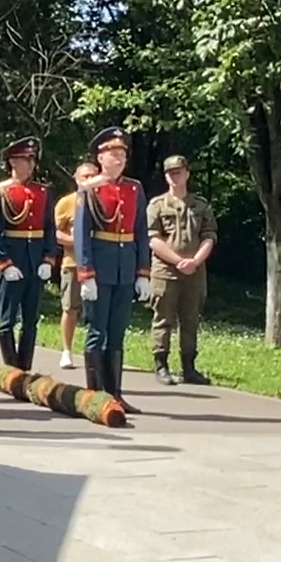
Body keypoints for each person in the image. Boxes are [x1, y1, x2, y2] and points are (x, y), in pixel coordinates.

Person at [73, 128, 150, 414]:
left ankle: (115, 392)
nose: (120, 160)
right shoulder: (90, 189)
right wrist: (86, 273)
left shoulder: (134, 188)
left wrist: (143, 271)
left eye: (123, 155)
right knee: (97, 330)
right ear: (100, 158)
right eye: (114, 155)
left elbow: (141, 230)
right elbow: (81, 233)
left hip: (125, 267)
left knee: (117, 331)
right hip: (100, 266)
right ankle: (94, 394)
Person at [146, 155, 218, 385]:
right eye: (170, 173)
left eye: (178, 172)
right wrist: (178, 261)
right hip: (165, 270)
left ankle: (189, 367)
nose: (174, 176)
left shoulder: (201, 205)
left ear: (187, 173)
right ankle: (161, 365)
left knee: (190, 320)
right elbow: (152, 238)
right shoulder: (157, 205)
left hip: (194, 272)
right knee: (163, 318)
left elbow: (209, 236)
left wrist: (195, 261)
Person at [0, 137, 56, 371]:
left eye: (32, 159)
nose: (31, 164)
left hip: (34, 259)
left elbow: (49, 228)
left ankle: (24, 367)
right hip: (12, 258)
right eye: (26, 159)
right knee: (7, 319)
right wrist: (4, 264)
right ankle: (10, 367)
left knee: (31, 319)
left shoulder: (43, 192)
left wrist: (48, 258)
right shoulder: (1, 192)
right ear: (13, 162)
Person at [54, 161, 96, 369]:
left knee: (98, 311)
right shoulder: (66, 203)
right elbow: (56, 233)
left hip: (99, 265)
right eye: (85, 176)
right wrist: (78, 242)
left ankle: (96, 352)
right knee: (70, 308)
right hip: (73, 263)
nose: (89, 180)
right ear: (76, 178)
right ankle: (67, 350)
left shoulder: (103, 201)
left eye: (92, 176)